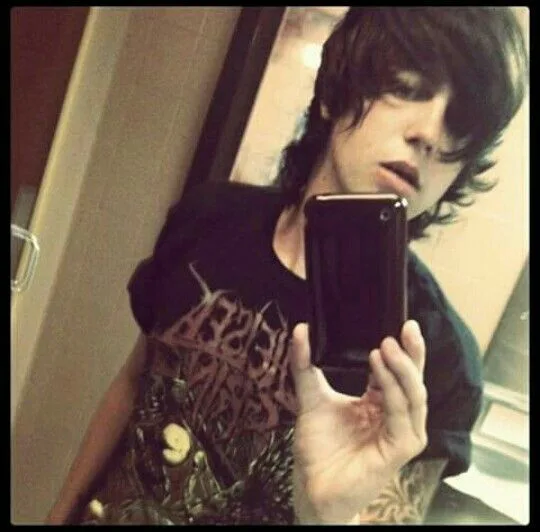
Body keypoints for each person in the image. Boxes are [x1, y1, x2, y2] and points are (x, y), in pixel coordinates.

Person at [46, 7, 528, 525]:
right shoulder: (208, 220)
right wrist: (61, 512)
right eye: (407, 87)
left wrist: (326, 514)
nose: (430, 132)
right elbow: (134, 383)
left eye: (461, 123)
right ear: (333, 95)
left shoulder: (436, 356)